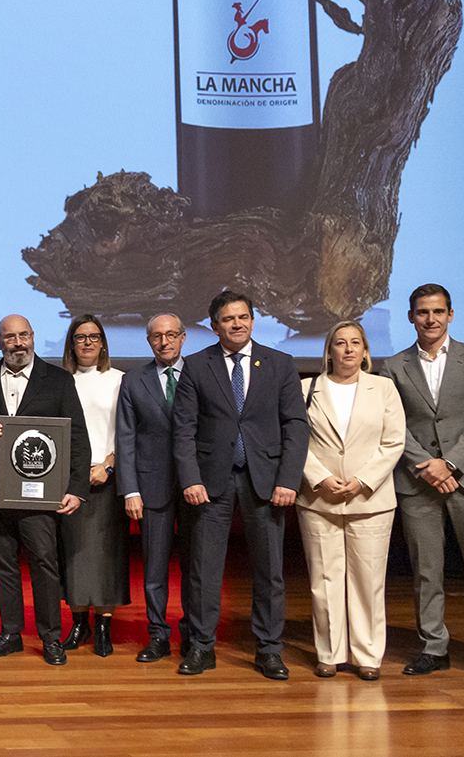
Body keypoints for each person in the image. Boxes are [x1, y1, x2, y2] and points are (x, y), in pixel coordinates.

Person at [378, 284, 464, 685]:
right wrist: (426, 465)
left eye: (438, 311)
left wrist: (450, 463)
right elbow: (393, 423)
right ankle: (433, 648)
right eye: (423, 312)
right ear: (411, 317)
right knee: (426, 572)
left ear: (451, 315)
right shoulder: (393, 365)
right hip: (418, 482)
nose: (431, 319)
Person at [172, 289, 308, 680]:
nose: (237, 324)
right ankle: (201, 647)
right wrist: (190, 478)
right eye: (229, 319)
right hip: (209, 483)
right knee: (203, 570)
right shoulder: (196, 365)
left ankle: (269, 650)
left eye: (243, 317)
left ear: (252, 320)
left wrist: (288, 479)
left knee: (270, 571)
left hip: (266, 481)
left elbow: (296, 426)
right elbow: (183, 429)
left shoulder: (280, 363)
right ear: (214, 326)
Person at [0, 314, 88, 665]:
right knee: (2, 562)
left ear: (33, 337)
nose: (18, 343)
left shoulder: (59, 380)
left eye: (23, 336)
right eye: (10, 337)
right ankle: (11, 633)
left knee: (44, 562)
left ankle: (50, 637)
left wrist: (76, 487)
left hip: (41, 492)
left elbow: (77, 435)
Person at [296, 321, 405, 680]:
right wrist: (320, 477)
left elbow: (394, 441)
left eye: (355, 343)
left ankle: (367, 655)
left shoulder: (384, 388)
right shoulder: (306, 389)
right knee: (324, 580)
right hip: (319, 498)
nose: (347, 349)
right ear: (328, 351)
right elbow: (294, 440)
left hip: (370, 499)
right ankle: (329, 652)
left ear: (365, 351)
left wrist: (362, 480)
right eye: (340, 343)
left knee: (367, 580)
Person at [117, 314, 198, 663]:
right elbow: (125, 438)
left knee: (196, 567)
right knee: (154, 569)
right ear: (148, 340)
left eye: (171, 335)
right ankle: (158, 635)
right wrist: (130, 490)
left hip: (197, 486)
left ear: (183, 337)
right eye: (157, 336)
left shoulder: (201, 374)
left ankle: (194, 636)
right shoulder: (133, 381)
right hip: (151, 486)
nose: (164, 342)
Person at [57, 314, 128, 657]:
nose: (87, 342)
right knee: (74, 554)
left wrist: (109, 465)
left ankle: (103, 627)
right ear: (71, 344)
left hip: (106, 476)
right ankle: (78, 624)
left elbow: (128, 430)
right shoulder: (60, 381)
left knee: (106, 554)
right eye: (80, 337)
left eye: (94, 336)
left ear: (103, 343)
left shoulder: (119, 380)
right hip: (69, 480)